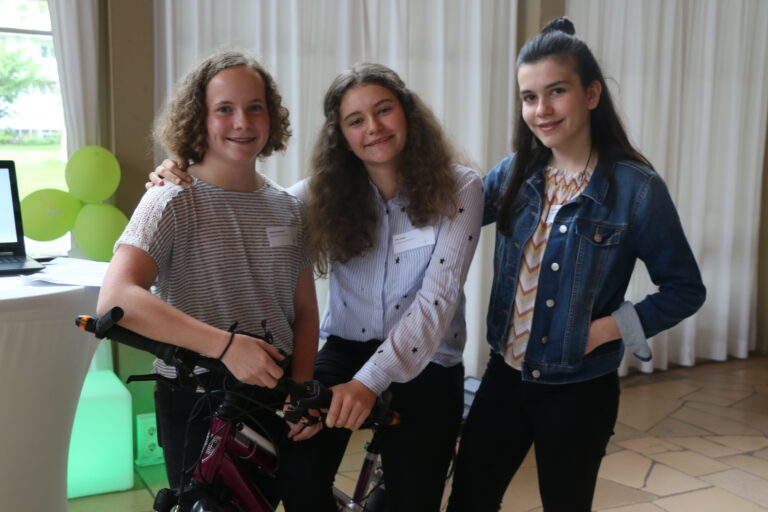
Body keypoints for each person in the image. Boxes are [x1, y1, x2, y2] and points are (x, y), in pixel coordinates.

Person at [149, 62, 483, 512]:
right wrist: (176, 169)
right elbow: (259, 202)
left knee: (414, 499)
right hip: (346, 351)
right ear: (340, 135)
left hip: (430, 360)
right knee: (298, 475)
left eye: (384, 110)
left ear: (408, 112)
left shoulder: (460, 187)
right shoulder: (316, 194)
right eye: (355, 120)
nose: (373, 128)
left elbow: (436, 303)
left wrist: (367, 384)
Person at [445, 17, 706, 512]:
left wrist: (605, 330)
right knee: (469, 501)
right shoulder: (514, 173)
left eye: (556, 91)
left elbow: (685, 289)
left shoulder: (636, 189)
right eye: (529, 97)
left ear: (591, 94)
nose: (541, 110)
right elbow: (446, 222)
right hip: (505, 375)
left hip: (580, 389)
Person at [97, 50, 320, 507]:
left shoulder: (290, 209)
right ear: (198, 119)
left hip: (271, 393)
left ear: (272, 117)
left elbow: (304, 311)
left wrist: (300, 391)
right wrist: (225, 346)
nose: (242, 122)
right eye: (224, 109)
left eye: (255, 107)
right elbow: (116, 297)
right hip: (196, 396)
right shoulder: (170, 200)